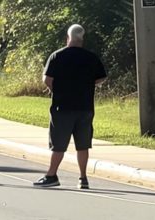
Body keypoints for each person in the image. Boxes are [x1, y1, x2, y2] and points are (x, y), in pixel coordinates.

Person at [33, 24, 107, 189]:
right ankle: (83, 178)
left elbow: (47, 79)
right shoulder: (91, 57)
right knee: (83, 144)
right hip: (85, 107)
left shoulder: (57, 56)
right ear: (82, 39)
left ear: (68, 38)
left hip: (62, 107)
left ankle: (51, 175)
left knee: (59, 143)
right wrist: (86, 85)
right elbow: (101, 78)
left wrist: (56, 90)